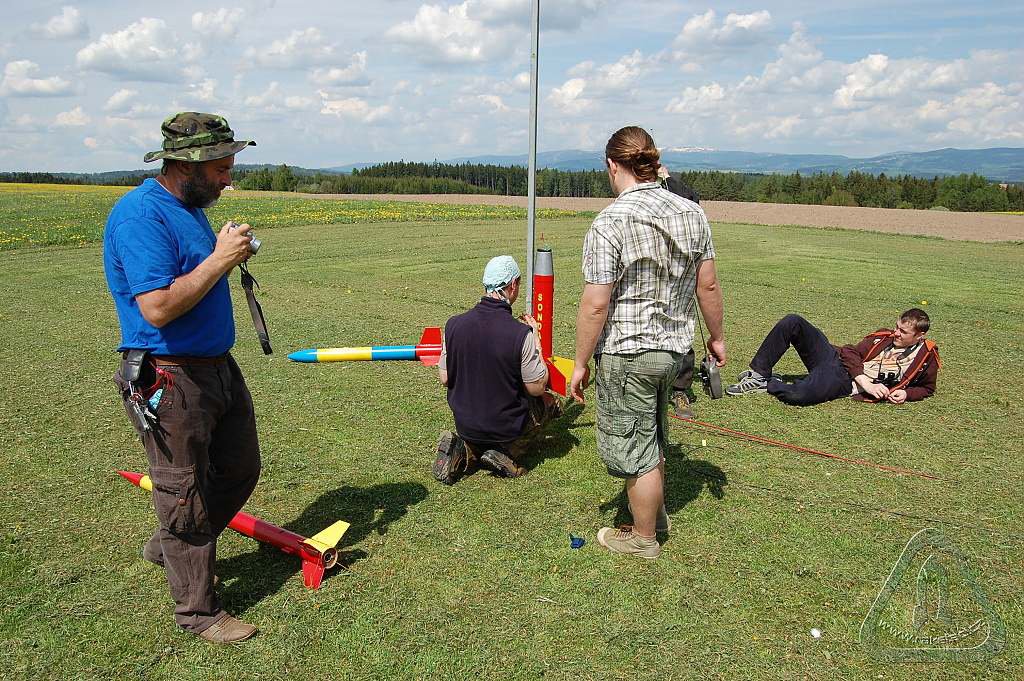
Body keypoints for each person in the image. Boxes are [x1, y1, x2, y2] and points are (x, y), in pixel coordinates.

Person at [104, 112, 262, 643]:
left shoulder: (188, 208)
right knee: (183, 490)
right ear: (184, 165)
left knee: (240, 467)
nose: (227, 179)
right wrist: (220, 259)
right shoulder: (139, 216)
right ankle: (198, 613)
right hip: (168, 377)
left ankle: (170, 544)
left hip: (216, 367)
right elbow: (158, 307)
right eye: (219, 168)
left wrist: (217, 250)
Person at [569, 126, 725, 559]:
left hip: (627, 351)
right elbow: (707, 286)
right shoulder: (692, 213)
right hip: (674, 351)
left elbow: (596, 304)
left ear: (612, 166)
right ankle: (652, 515)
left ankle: (643, 538)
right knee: (652, 432)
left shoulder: (609, 221)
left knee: (635, 446)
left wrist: (580, 362)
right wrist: (717, 338)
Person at [433, 255, 562, 484]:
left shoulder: (453, 325)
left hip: (466, 423)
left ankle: (465, 449)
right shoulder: (520, 334)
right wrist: (537, 341)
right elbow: (536, 387)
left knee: (478, 429)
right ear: (512, 285)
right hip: (505, 426)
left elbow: (445, 378)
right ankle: (507, 453)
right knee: (549, 403)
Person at [726, 309, 939, 405]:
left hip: (843, 382)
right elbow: (849, 351)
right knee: (793, 321)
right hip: (836, 360)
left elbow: (927, 388)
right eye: (897, 327)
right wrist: (865, 381)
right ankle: (759, 375)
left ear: (919, 336)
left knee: (799, 395)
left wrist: (906, 394)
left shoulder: (926, 357)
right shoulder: (883, 336)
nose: (896, 333)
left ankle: (772, 383)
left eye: (903, 332)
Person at [657, 164, 701, 418]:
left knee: (681, 329)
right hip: (651, 273)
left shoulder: (676, 189)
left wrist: (668, 178)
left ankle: (680, 389)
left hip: (678, 272)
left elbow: (693, 202)